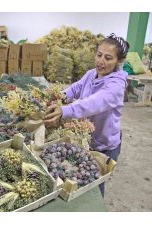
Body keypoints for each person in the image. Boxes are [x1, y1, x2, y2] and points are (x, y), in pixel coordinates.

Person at [44, 33, 130, 197]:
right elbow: (75, 88)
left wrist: (66, 110)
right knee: (81, 179)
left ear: (119, 61)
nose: (101, 61)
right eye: (99, 55)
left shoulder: (116, 85)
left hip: (104, 145)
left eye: (108, 58)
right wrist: (59, 96)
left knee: (95, 187)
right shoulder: (92, 74)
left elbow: (94, 102)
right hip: (86, 138)